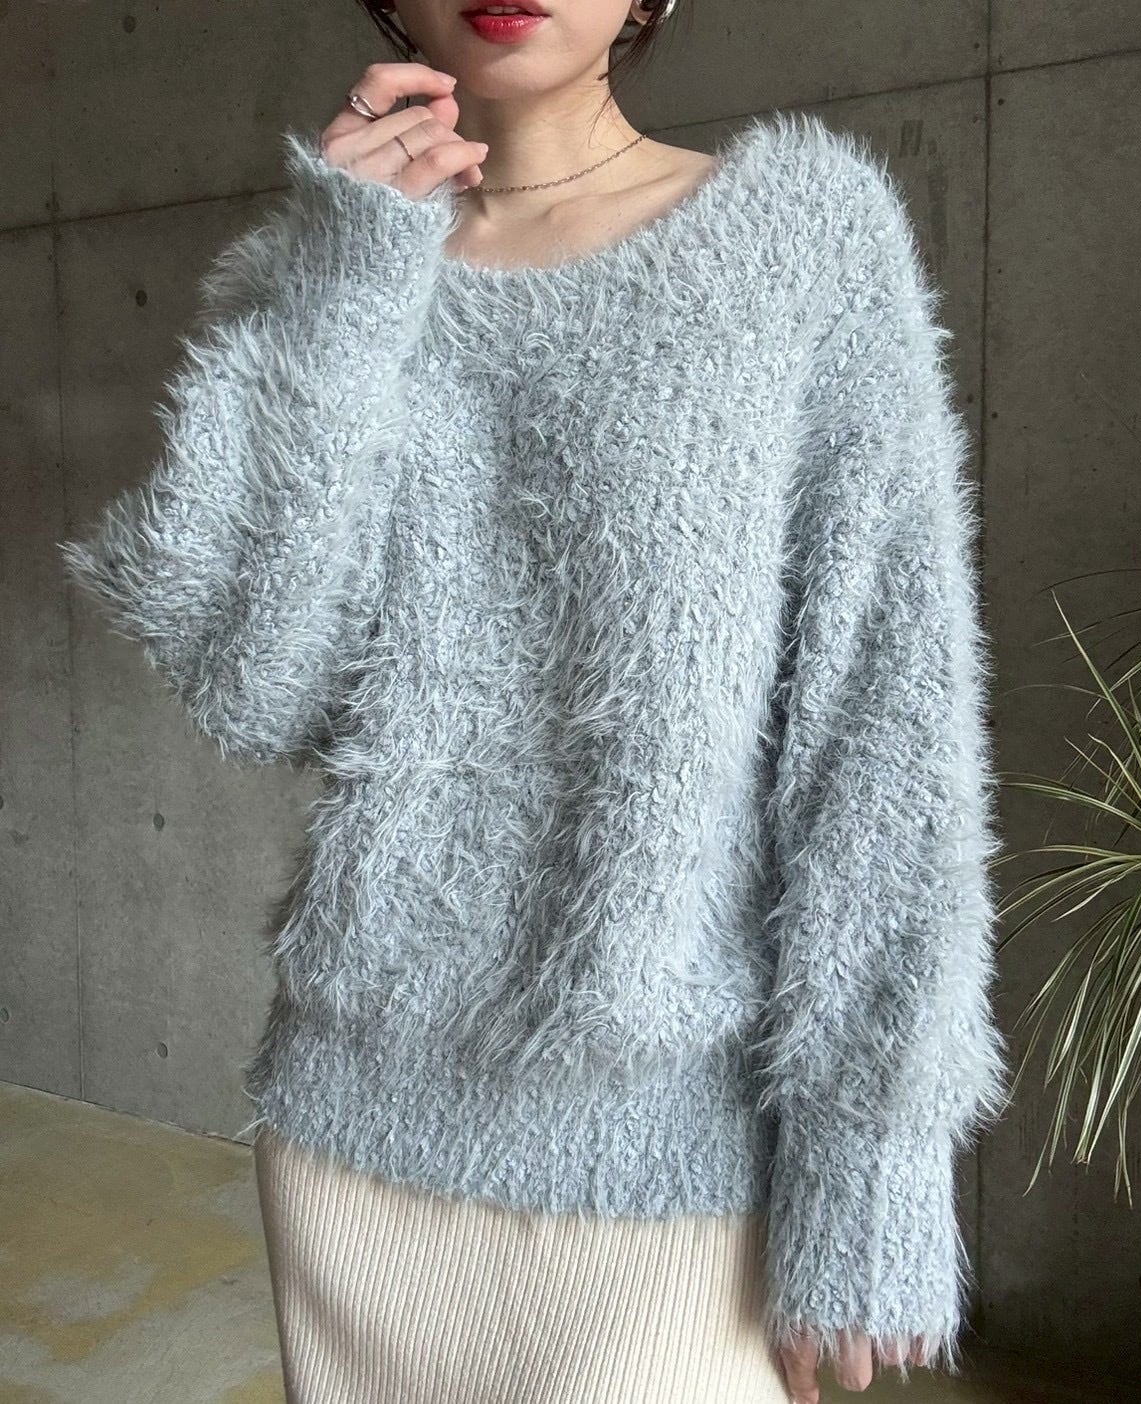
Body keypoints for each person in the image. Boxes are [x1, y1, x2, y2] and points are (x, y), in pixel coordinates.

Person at [57, 1, 1012, 1400]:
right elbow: (259, 686)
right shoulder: (327, 268)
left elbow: (885, 727)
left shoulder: (803, 236)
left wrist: (870, 1159)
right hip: (358, 1142)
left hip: (681, 1157)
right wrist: (345, 291)